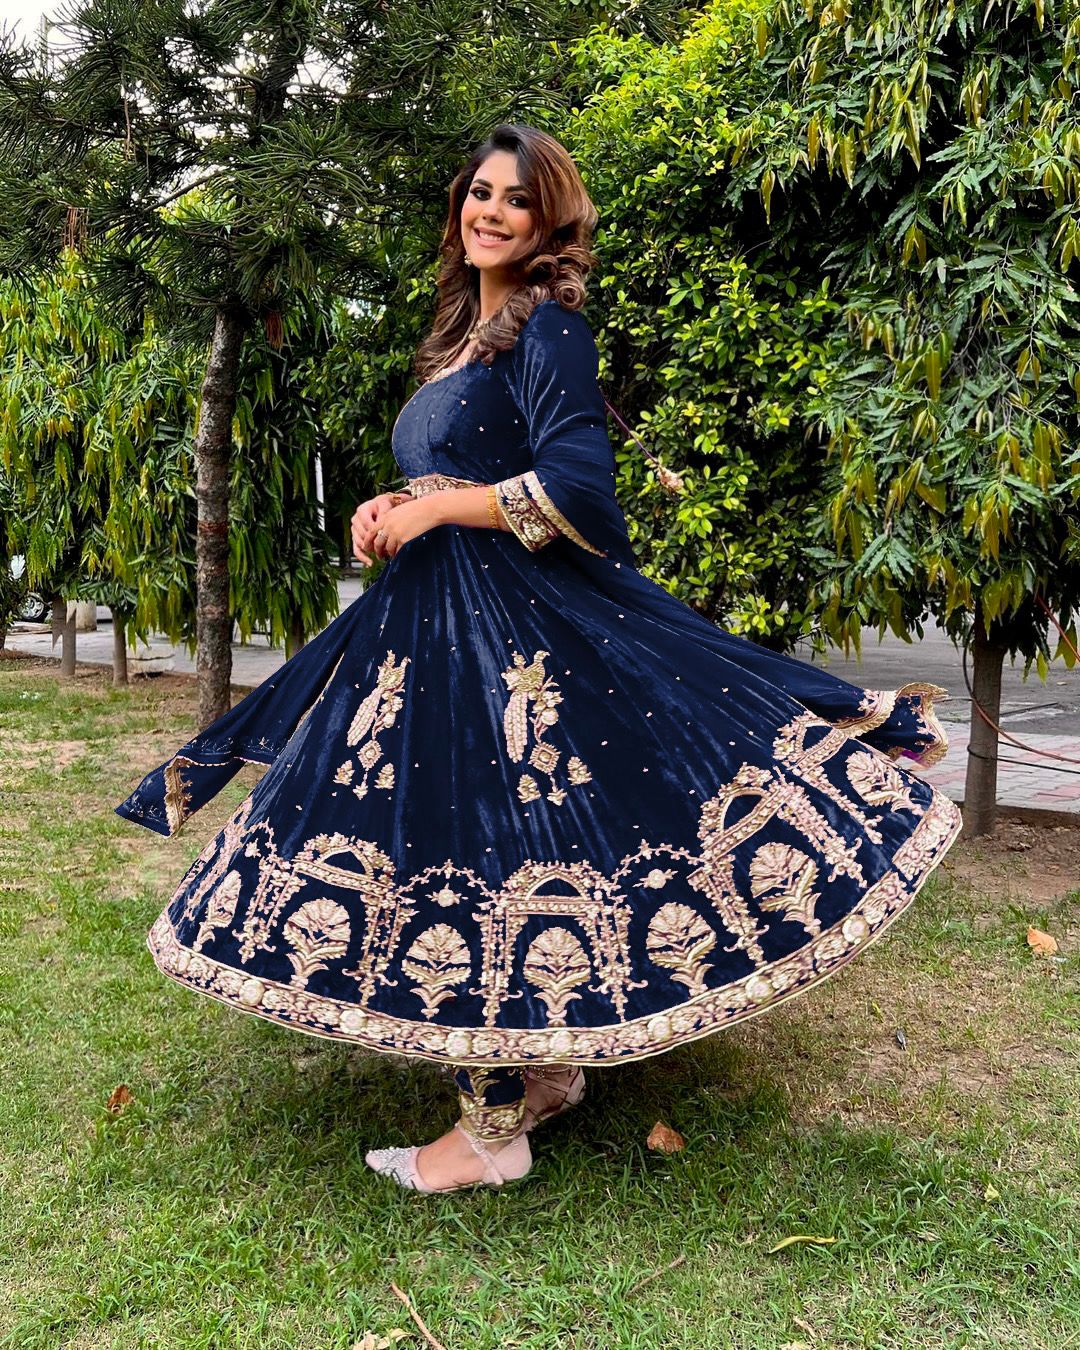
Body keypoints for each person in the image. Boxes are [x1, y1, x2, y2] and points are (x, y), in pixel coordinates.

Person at [116, 123, 963, 1193]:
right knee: (464, 851)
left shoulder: (550, 327)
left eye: (516, 200)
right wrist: (395, 505)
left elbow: (577, 494)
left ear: (547, 221)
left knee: (490, 848)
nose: (492, 212)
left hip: (508, 639)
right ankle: (546, 1076)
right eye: (480, 191)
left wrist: (438, 513)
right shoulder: (465, 336)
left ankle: (491, 1134)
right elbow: (469, 476)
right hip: (444, 630)